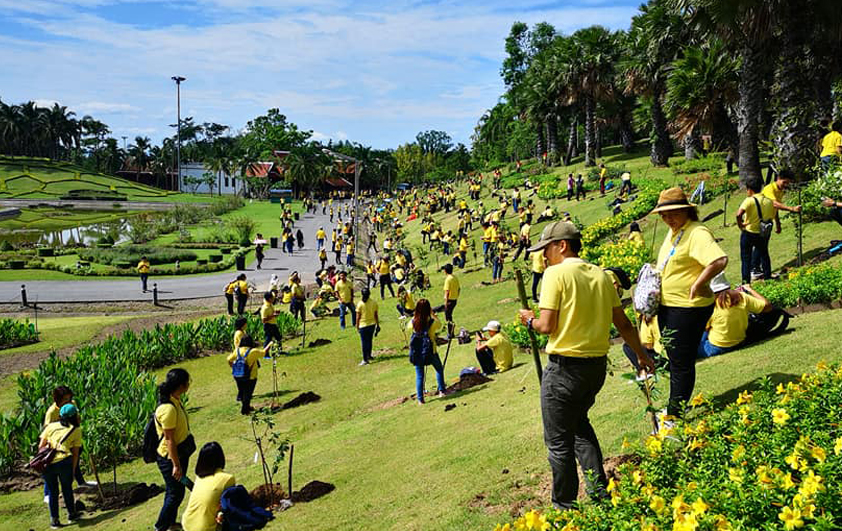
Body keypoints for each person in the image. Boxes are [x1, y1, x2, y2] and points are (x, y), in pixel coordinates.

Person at [517, 220, 653, 510]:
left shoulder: (555, 274)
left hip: (564, 369)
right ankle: (599, 494)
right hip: (595, 369)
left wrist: (528, 318)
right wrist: (642, 354)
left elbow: (546, 325)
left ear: (562, 246)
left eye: (546, 249)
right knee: (579, 427)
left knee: (557, 442)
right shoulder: (601, 275)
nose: (543, 256)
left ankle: (565, 506)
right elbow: (624, 323)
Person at [651, 187, 727, 419]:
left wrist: (699, 283)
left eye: (673, 213)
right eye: (663, 215)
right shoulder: (675, 232)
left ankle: (674, 414)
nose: (668, 219)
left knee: (681, 361)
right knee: (676, 358)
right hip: (670, 305)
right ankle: (675, 406)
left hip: (687, 308)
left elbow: (719, 259)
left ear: (686, 210)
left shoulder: (696, 232)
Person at [154, 368, 195, 531]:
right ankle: (161, 526)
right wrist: (176, 465)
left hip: (179, 454)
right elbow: (169, 439)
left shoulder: (175, 400)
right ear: (181, 385)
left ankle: (170, 523)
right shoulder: (168, 409)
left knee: (175, 492)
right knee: (175, 494)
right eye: (187, 382)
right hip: (170, 458)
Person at [698, 273, 772, 358]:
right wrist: (750, 290)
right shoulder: (741, 297)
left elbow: (703, 329)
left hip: (716, 347)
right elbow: (767, 306)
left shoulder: (711, 306)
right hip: (739, 341)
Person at [43, 386, 94, 500]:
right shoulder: (51, 412)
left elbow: (77, 419)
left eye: (70, 399)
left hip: (71, 440)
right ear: (58, 400)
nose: (69, 402)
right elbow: (47, 431)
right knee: (52, 470)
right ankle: (48, 494)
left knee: (75, 462)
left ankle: (81, 482)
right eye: (66, 400)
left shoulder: (72, 405)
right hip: (58, 445)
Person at [39, 403, 82, 529]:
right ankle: (72, 514)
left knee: (53, 491)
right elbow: (75, 454)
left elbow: (41, 446)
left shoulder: (50, 426)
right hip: (64, 461)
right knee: (66, 488)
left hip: (47, 463)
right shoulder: (76, 430)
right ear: (74, 416)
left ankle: (54, 520)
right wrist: (73, 470)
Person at [182, 442, 236, 531]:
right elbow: (230, 507)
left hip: (187, 523)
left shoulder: (199, 477)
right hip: (204, 528)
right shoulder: (228, 479)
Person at [735, 177, 776, 284]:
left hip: (749, 232)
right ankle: (767, 278)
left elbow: (739, 214)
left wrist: (741, 225)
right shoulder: (769, 201)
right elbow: (771, 216)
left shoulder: (749, 200)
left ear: (749, 189)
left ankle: (746, 282)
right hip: (761, 233)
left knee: (746, 258)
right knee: (764, 255)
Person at [408, 299, 448, 404]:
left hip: (417, 352)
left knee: (420, 375)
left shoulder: (413, 321)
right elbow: (439, 325)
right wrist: (433, 314)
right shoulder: (431, 321)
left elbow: (408, 327)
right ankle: (441, 390)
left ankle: (420, 399)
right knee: (439, 369)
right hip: (431, 350)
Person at [228, 335, 273, 415]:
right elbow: (264, 353)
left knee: (242, 391)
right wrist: (269, 344)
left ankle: (247, 407)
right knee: (248, 393)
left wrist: (233, 367)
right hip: (250, 376)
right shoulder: (253, 351)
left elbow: (229, 359)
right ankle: (245, 410)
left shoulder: (237, 350)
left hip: (237, 375)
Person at [355, 288, 379, 366]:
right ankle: (369, 355)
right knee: (369, 341)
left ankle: (365, 359)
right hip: (372, 324)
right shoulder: (373, 302)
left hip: (363, 325)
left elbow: (358, 317)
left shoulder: (360, 304)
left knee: (364, 343)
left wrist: (357, 326)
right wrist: (378, 324)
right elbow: (376, 315)